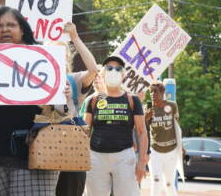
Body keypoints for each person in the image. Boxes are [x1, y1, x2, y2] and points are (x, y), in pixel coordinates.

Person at [0, 6, 59, 196]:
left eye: (11, 25)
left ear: (23, 29)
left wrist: (58, 93)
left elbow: (58, 112)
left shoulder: (45, 61)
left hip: (37, 152)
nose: (4, 29)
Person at [83, 56, 148, 196]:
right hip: (96, 157)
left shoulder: (132, 100)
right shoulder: (93, 100)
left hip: (124, 157)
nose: (114, 71)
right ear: (102, 73)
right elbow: (84, 132)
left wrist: (142, 161)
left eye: (118, 68)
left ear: (123, 74)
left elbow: (142, 132)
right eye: (109, 68)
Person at [50, 22, 98, 196]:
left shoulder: (74, 80)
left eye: (60, 54)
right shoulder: (34, 83)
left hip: (72, 149)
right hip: (45, 147)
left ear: (67, 58)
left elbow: (93, 69)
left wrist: (75, 38)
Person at [145, 81, 180, 196]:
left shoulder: (172, 106)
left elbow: (177, 127)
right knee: (155, 181)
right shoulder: (148, 108)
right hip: (155, 150)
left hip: (171, 150)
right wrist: (146, 118)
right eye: (150, 92)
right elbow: (141, 129)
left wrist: (181, 147)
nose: (152, 94)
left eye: (155, 92)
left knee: (169, 183)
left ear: (162, 92)